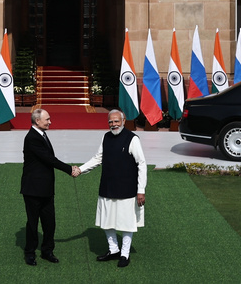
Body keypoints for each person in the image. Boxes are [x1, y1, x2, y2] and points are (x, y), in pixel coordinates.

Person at [77, 109, 147, 268]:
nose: (113, 124)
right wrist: (80, 170)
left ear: (123, 121)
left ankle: (125, 254)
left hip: (127, 189)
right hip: (107, 187)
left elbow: (141, 164)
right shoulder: (106, 137)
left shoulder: (133, 139)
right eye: (111, 122)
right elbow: (98, 158)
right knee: (106, 220)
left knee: (127, 223)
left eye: (116, 121)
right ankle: (114, 249)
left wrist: (141, 190)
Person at [20, 108, 77, 266]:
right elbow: (49, 159)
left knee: (49, 222)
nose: (50, 122)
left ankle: (47, 251)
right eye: (47, 119)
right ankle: (30, 253)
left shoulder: (42, 135)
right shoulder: (32, 138)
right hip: (33, 189)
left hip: (46, 188)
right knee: (33, 223)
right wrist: (70, 169)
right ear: (37, 121)